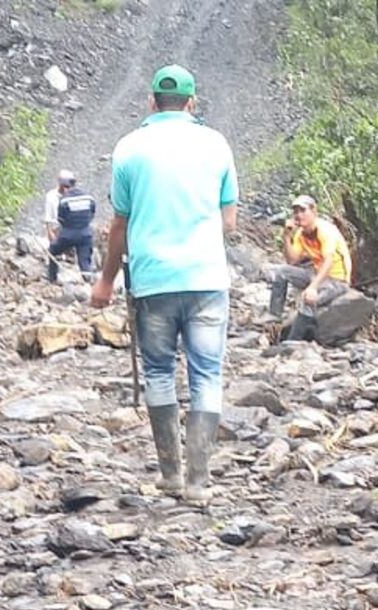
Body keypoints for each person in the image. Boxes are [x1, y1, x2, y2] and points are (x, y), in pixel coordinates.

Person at [90, 64, 236, 502]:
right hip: (206, 277)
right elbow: (229, 221)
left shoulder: (129, 148)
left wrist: (106, 281)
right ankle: (199, 481)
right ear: (192, 102)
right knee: (206, 373)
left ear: (152, 101)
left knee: (158, 371)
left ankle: (171, 474)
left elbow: (120, 224)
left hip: (153, 280)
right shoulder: (216, 144)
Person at [269, 194, 351, 327]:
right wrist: (287, 236)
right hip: (317, 273)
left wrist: (313, 287)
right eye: (296, 212)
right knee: (281, 272)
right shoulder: (301, 234)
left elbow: (328, 261)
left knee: (308, 299)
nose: (299, 215)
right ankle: (274, 315)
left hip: (336, 280)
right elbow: (292, 261)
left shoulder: (325, 230)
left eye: (303, 211)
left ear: (314, 211)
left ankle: (296, 336)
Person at [44, 169, 98, 283]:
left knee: (53, 251)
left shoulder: (64, 200)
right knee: (84, 261)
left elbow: (61, 219)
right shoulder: (88, 197)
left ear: (63, 186)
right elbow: (92, 213)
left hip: (68, 234)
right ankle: (88, 282)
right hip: (85, 234)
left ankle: (52, 279)